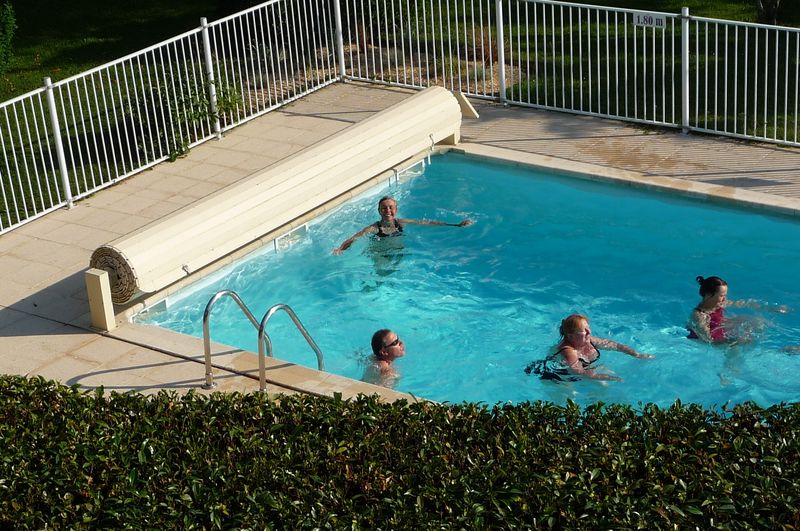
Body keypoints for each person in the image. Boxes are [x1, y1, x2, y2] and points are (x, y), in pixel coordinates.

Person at [525, 314, 654, 382]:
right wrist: (609, 378)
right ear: (571, 335)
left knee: (604, 385)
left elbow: (616, 346)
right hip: (558, 376)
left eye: (588, 328)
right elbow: (578, 372)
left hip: (584, 370)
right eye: (584, 330)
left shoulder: (589, 339)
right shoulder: (568, 351)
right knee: (569, 397)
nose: (589, 332)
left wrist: (636, 354)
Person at [332, 195, 473, 254]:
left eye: (391, 207)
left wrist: (455, 225)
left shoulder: (401, 222)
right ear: (379, 211)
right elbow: (355, 237)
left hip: (399, 251)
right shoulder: (374, 228)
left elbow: (427, 223)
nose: (388, 210)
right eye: (384, 208)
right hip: (381, 254)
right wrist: (341, 249)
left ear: (396, 210)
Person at [687, 275, 789, 344]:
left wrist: (770, 308)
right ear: (709, 295)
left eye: (725, 295)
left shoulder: (719, 304)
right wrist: (734, 342)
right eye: (722, 296)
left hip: (719, 329)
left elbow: (745, 303)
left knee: (758, 322)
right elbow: (708, 341)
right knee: (739, 344)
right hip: (704, 342)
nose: (725, 299)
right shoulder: (699, 315)